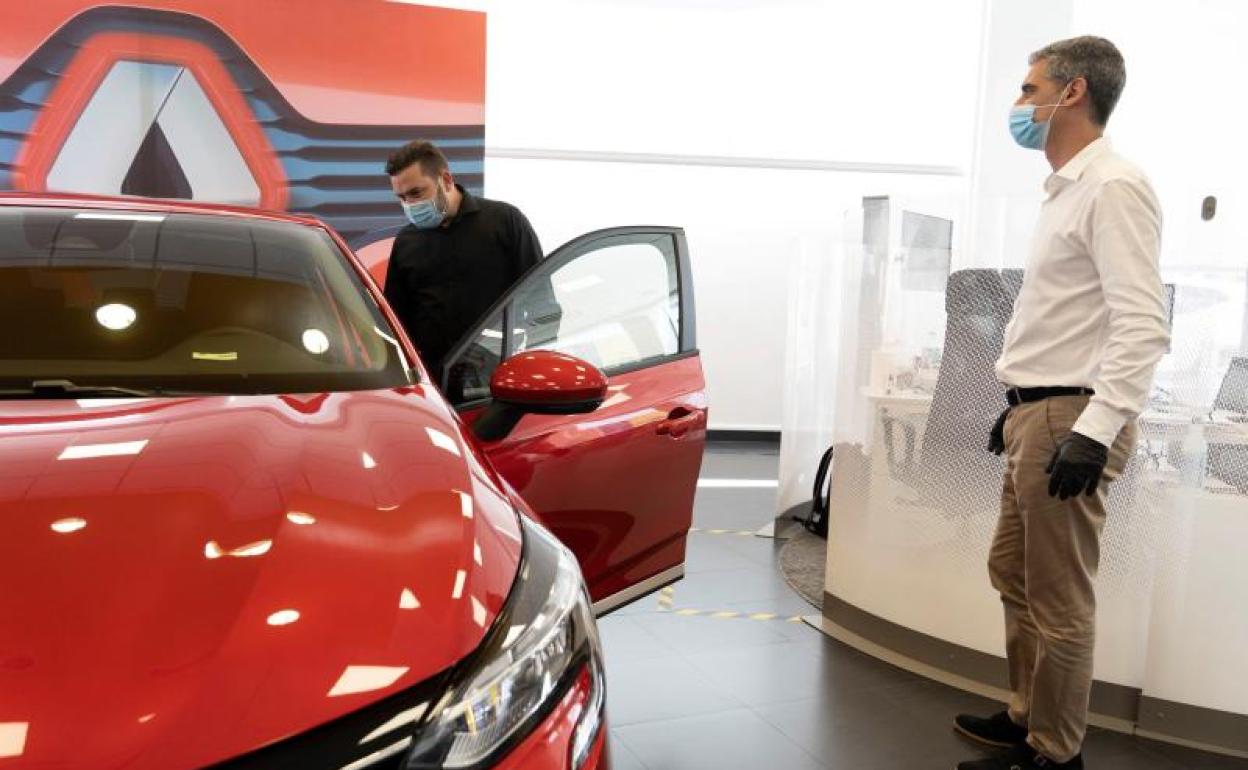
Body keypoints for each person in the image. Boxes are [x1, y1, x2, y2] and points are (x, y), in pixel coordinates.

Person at [954, 37, 1169, 770]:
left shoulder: (1112, 185)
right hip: (1040, 412)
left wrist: (1094, 429)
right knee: (1012, 574)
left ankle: (1056, 752)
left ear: (1070, 93)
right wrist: (1017, 403)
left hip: (1071, 420)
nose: (1019, 104)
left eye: (1028, 88)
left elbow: (1143, 323)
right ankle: (1026, 714)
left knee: (1059, 600)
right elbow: (1069, 319)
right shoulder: (1068, 191)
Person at [382, 140, 544, 382]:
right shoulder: (407, 241)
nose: (410, 205)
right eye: (402, 197)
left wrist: (528, 370)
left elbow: (542, 301)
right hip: (433, 384)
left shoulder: (504, 222)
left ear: (446, 179)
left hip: (497, 379)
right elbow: (395, 319)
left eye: (416, 193)